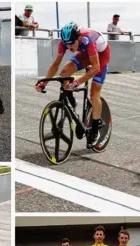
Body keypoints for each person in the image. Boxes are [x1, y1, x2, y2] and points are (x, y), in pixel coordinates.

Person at [35, 22, 111, 150]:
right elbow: (55, 65)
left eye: (71, 43)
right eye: (66, 43)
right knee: (64, 73)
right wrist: (44, 82)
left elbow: (96, 68)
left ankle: (95, 129)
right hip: (85, 53)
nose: (69, 46)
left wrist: (76, 82)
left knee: (94, 94)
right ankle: (71, 100)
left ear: (78, 38)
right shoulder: (65, 43)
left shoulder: (87, 40)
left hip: (101, 56)